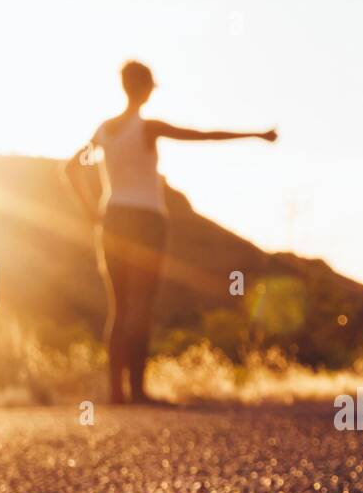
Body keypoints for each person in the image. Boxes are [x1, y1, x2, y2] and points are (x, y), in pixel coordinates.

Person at [64, 60, 277, 404]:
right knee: (141, 305)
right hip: (146, 221)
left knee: (118, 307)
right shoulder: (148, 128)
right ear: (145, 88)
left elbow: (72, 168)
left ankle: (116, 393)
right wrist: (256, 134)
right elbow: (203, 136)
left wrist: (91, 211)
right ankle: (138, 391)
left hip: (114, 218)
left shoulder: (104, 131)